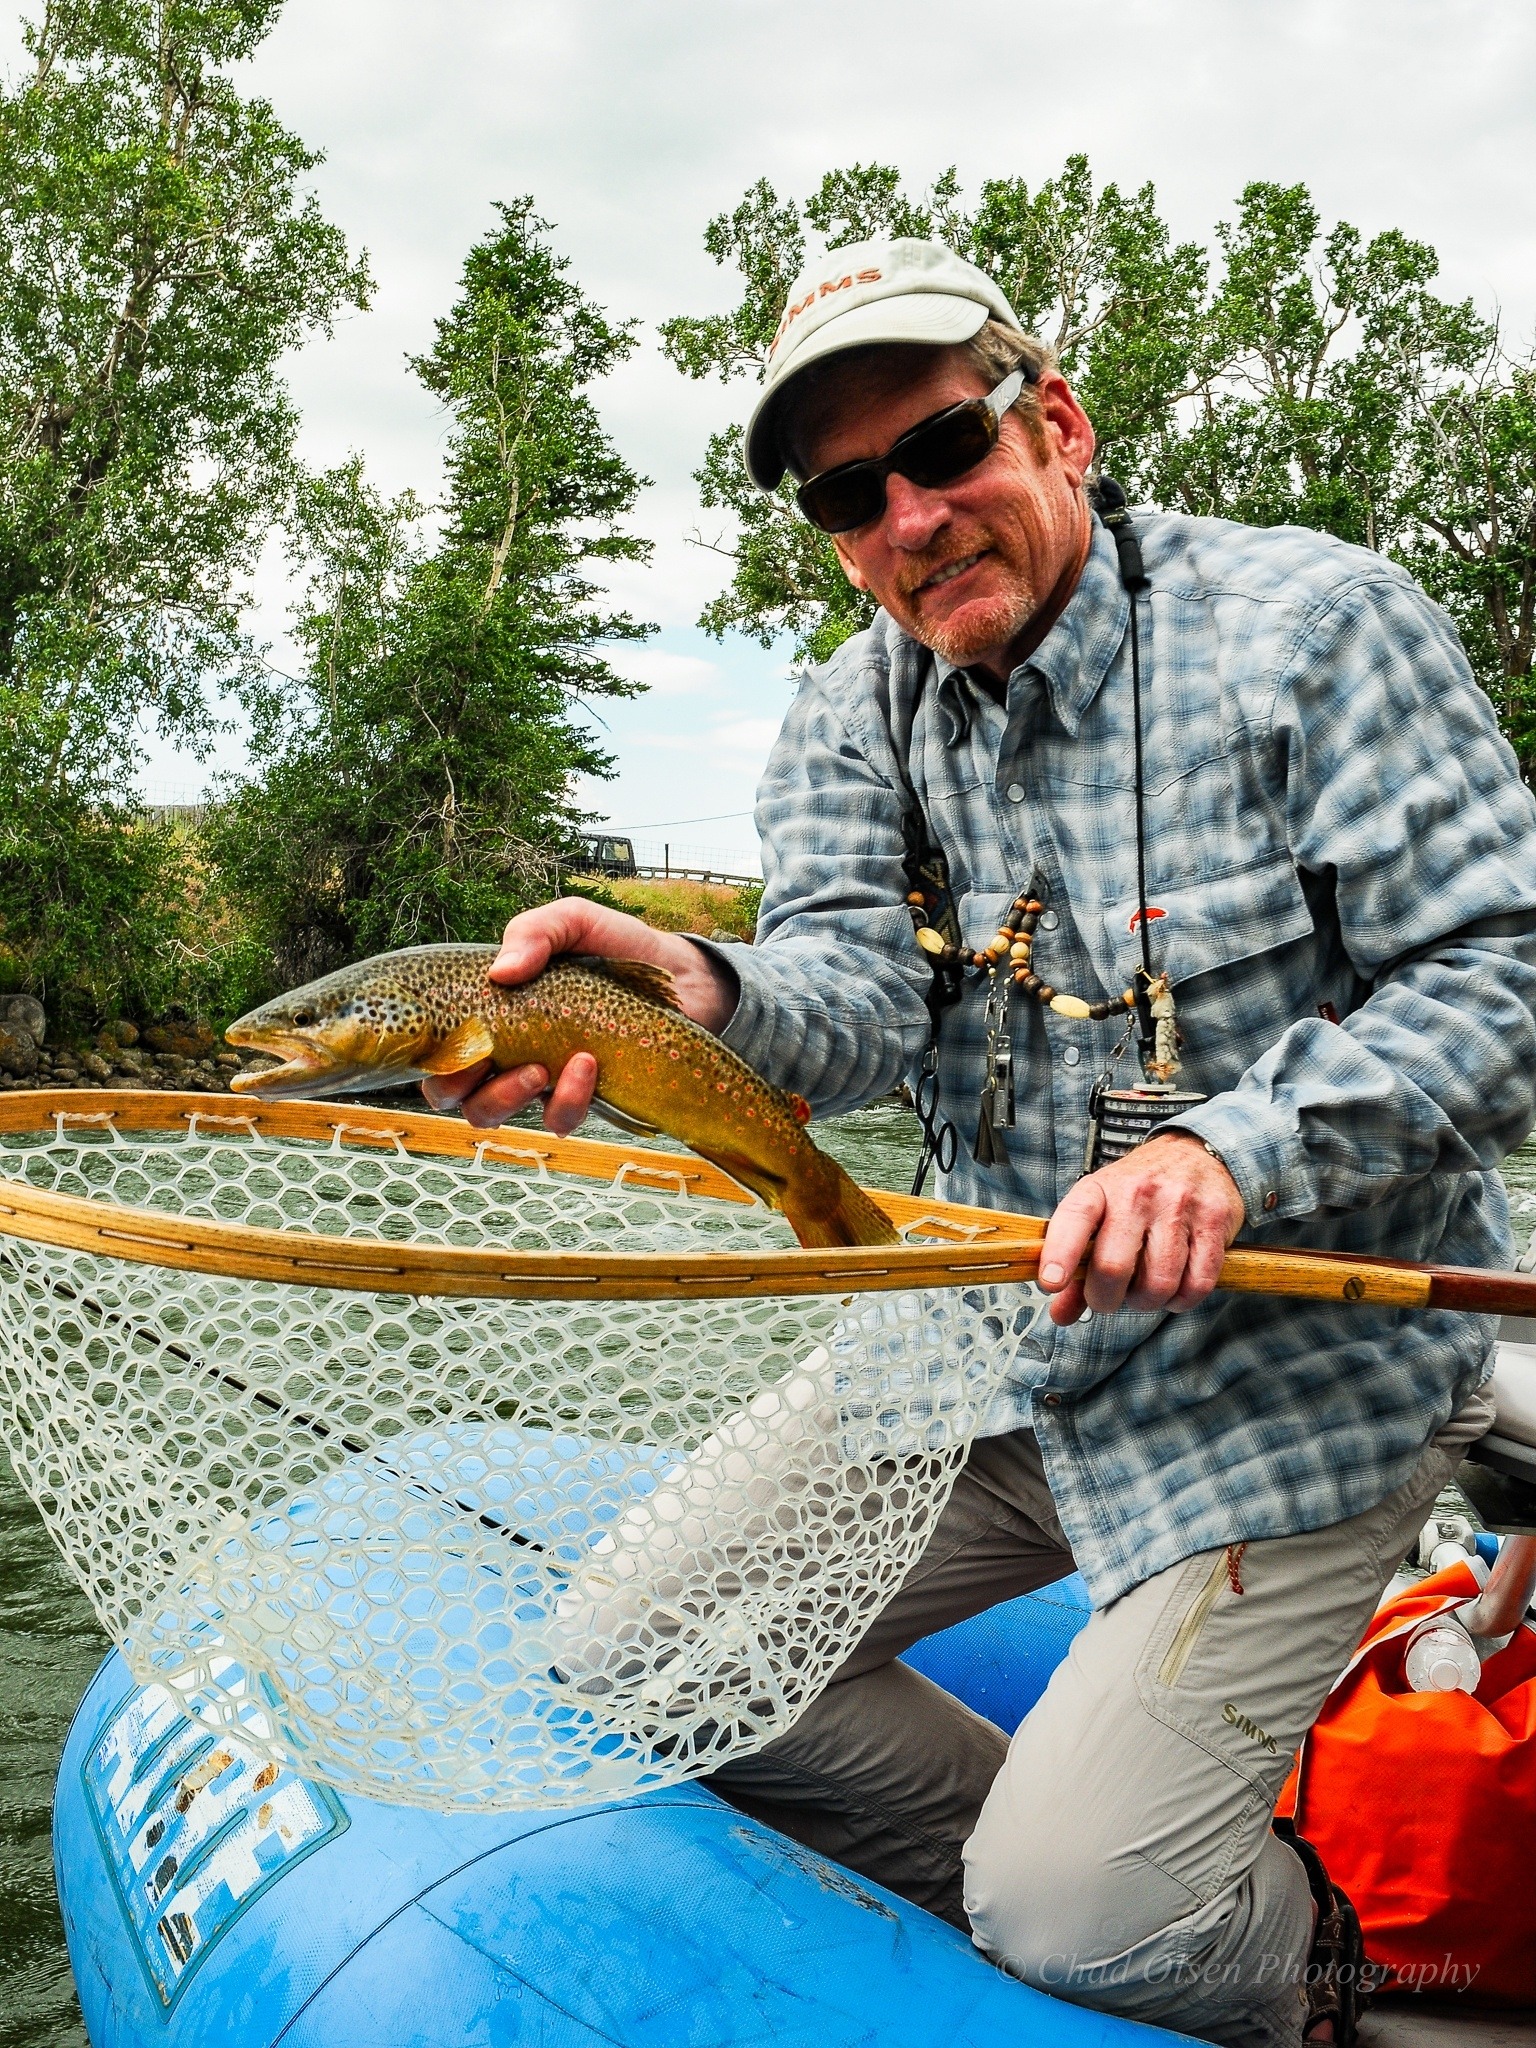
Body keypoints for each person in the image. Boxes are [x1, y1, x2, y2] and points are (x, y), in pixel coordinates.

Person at [425, 239, 1536, 2047]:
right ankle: (1125, 1868)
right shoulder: (849, 711)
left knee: (1072, 1908)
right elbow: (845, 1000)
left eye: (944, 449)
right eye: (850, 494)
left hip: (1294, 1371)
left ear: (1061, 424)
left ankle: (1315, 1981)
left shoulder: (1316, 630)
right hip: (980, 1343)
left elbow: (1507, 967)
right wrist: (696, 993)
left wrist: (1237, 1153)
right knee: (655, 1661)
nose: (911, 517)